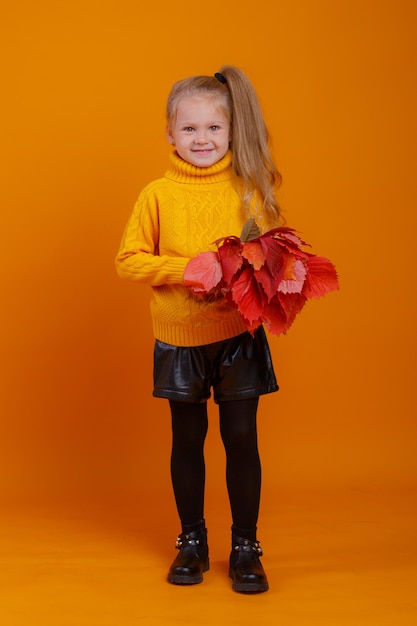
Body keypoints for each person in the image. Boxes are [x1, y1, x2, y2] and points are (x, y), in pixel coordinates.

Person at [115, 65, 282, 593]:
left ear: (231, 132)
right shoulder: (156, 196)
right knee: (187, 439)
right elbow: (128, 260)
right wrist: (183, 269)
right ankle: (191, 540)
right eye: (189, 129)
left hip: (238, 336)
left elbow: (271, 258)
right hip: (179, 337)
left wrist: (249, 274)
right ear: (169, 133)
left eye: (213, 128)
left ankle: (245, 546)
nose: (202, 139)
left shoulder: (249, 192)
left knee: (241, 439)